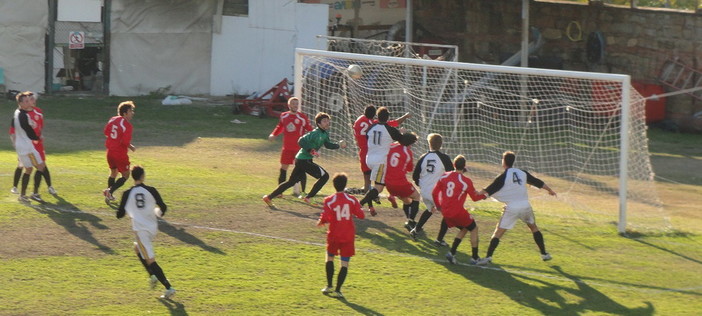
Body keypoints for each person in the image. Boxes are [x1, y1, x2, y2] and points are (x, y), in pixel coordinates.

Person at [477, 151, 557, 265]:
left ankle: (488, 257)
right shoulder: (522, 173)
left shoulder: (503, 176)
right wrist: (550, 190)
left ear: (503, 161)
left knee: (498, 232)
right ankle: (544, 254)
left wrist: (476, 194)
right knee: (534, 228)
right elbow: (537, 182)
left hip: (512, 208)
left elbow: (488, 190)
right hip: (525, 205)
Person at [263, 112, 347, 207]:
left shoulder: (324, 134)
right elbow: (301, 140)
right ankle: (308, 197)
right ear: (319, 124)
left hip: (302, 159)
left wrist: (338, 145)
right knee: (325, 176)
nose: (327, 123)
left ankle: (269, 197)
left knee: (291, 182)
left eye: (328, 121)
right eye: (324, 121)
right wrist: (311, 150)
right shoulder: (315, 133)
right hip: (303, 160)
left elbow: (328, 145)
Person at [116, 165, 176, 299]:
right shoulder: (152, 190)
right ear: (143, 176)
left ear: (132, 177)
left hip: (141, 230)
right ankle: (152, 275)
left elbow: (119, 214)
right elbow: (163, 207)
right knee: (137, 248)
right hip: (152, 228)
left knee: (150, 260)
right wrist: (157, 213)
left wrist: (128, 211)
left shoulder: (127, 193)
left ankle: (169, 287)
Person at [317, 173, 365, 299]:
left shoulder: (329, 200)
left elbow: (326, 217)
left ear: (333, 185)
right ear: (345, 185)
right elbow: (361, 215)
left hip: (334, 234)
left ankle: (329, 286)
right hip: (348, 235)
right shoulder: (352, 199)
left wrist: (321, 221)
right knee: (344, 263)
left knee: (329, 258)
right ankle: (338, 290)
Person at [432, 155, 486, 265]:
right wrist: (485, 195)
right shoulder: (466, 181)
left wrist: (438, 206)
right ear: (464, 166)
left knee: (465, 227)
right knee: (474, 228)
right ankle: (475, 258)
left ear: (453, 164)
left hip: (445, 212)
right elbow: (475, 198)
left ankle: (451, 253)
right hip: (456, 212)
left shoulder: (444, 176)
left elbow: (434, 192)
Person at [410, 133, 454, 245]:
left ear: (429, 144)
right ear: (441, 144)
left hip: (424, 192)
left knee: (430, 209)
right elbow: (452, 175)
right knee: (448, 214)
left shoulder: (423, 157)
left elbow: (415, 176)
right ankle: (439, 240)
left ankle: (415, 230)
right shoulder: (444, 158)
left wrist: (422, 185)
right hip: (436, 193)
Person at [358, 107, 403, 216]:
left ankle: (371, 207)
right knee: (379, 187)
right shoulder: (390, 129)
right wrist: (402, 133)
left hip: (369, 159)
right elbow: (402, 140)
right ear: (388, 118)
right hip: (380, 161)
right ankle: (360, 204)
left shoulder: (371, 127)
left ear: (377, 117)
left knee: (377, 185)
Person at [268, 97, 312, 197]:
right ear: (289, 105)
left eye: (297, 104)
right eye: (293, 104)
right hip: (287, 148)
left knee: (301, 169)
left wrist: (313, 141)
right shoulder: (284, 116)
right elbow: (280, 126)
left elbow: (310, 130)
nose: (295, 106)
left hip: (299, 149)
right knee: (283, 168)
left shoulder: (302, 117)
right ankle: (279, 192)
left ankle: (303, 193)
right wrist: (274, 134)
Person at [11, 91, 49, 203]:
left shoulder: (17, 112)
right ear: (21, 103)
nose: (30, 102)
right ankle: (35, 193)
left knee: (28, 169)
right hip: (27, 147)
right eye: (26, 101)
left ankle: (23, 195)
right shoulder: (23, 115)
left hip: (22, 146)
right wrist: (37, 138)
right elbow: (27, 130)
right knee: (41, 166)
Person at [382, 132, 422, 232]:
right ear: (410, 143)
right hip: (400, 183)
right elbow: (409, 169)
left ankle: (393, 196)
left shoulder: (391, 146)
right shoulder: (407, 152)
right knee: (416, 197)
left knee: (407, 201)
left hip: (388, 183)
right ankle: (411, 221)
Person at [103, 101, 136, 202]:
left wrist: (114, 140)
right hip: (119, 153)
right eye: (131, 111)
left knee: (113, 172)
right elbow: (125, 141)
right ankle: (110, 191)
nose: (132, 113)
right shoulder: (127, 125)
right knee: (126, 175)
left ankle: (108, 196)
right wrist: (131, 147)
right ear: (125, 113)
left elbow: (106, 132)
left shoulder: (113, 119)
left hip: (110, 152)